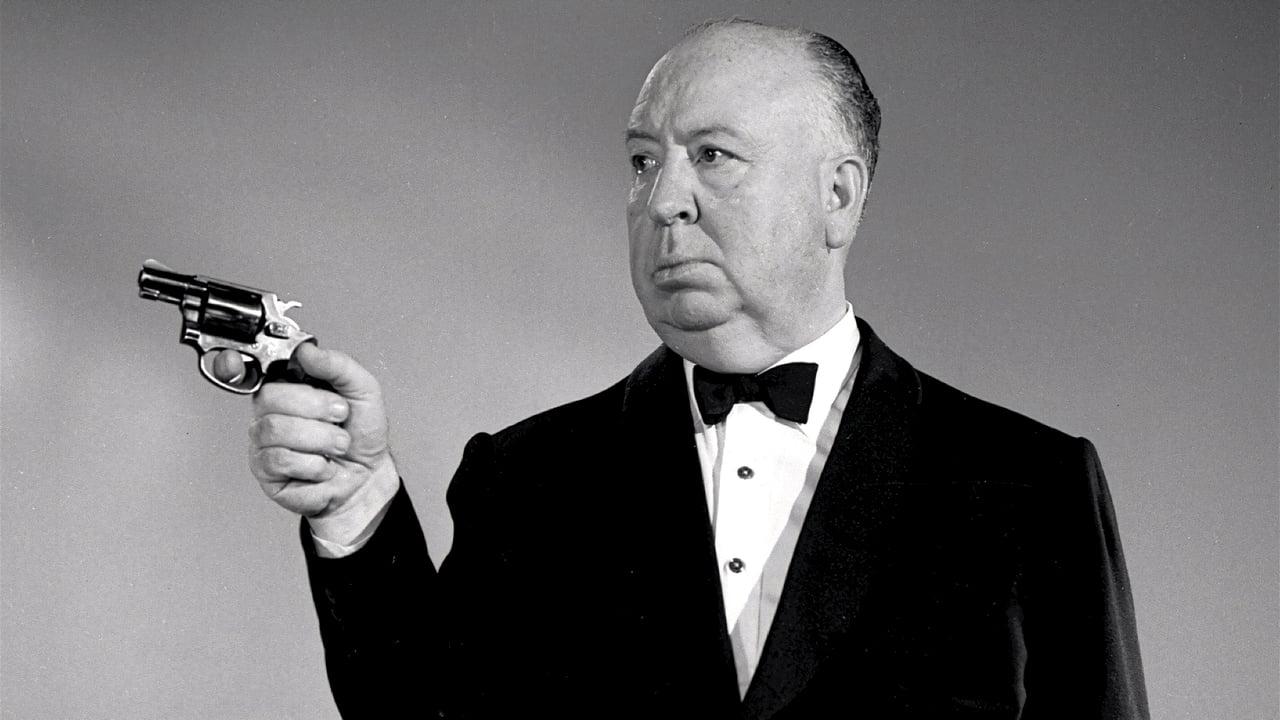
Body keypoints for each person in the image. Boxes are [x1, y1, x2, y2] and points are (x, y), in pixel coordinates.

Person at [217, 18, 1149, 719]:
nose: (664, 200)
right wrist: (355, 506)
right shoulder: (527, 477)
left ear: (838, 195)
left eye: (712, 155)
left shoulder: (1030, 484)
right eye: (641, 161)